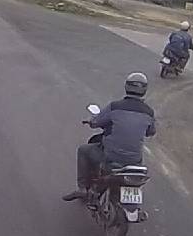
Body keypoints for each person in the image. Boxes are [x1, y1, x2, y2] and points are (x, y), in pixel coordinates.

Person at [63, 72, 156, 202]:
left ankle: (82, 188)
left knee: (83, 150)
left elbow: (96, 122)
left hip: (111, 158)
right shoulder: (149, 112)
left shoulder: (115, 107)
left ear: (127, 86)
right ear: (144, 90)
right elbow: (151, 132)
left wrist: (91, 121)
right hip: (135, 161)